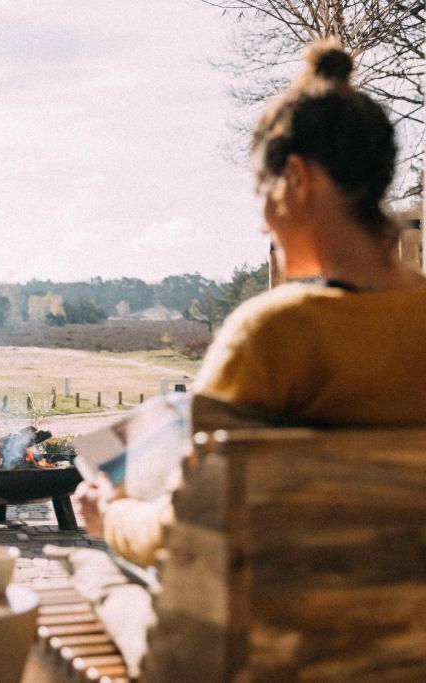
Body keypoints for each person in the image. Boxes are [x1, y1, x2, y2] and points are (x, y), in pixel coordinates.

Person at [71, 38, 426, 676]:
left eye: (262, 193)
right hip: (406, 648)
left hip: (252, 654)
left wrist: (111, 517)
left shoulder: (271, 335)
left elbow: (188, 535)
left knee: (92, 571)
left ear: (297, 178)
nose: (263, 221)